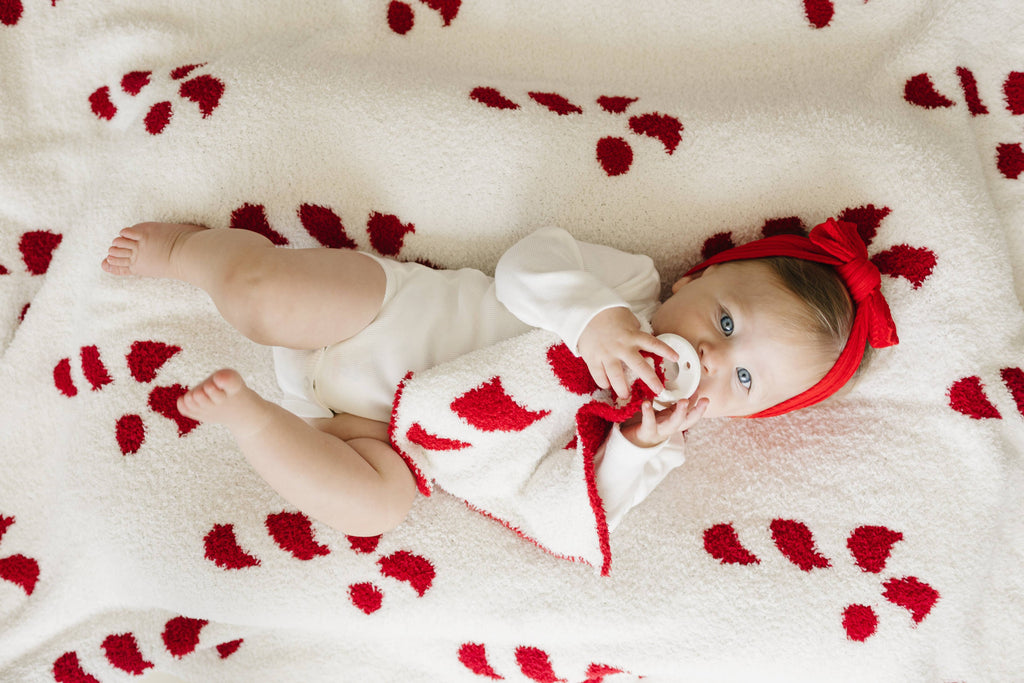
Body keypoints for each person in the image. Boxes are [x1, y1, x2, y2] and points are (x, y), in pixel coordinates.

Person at [100, 218, 896, 537]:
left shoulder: (646, 438)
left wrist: (634, 445)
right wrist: (593, 321)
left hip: (392, 435)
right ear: (695, 278)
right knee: (262, 297)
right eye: (724, 323)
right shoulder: (626, 289)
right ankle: (193, 252)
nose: (714, 361)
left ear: (740, 415)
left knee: (374, 507)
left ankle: (254, 422)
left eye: (744, 377)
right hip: (383, 311)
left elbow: (563, 509)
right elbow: (525, 265)